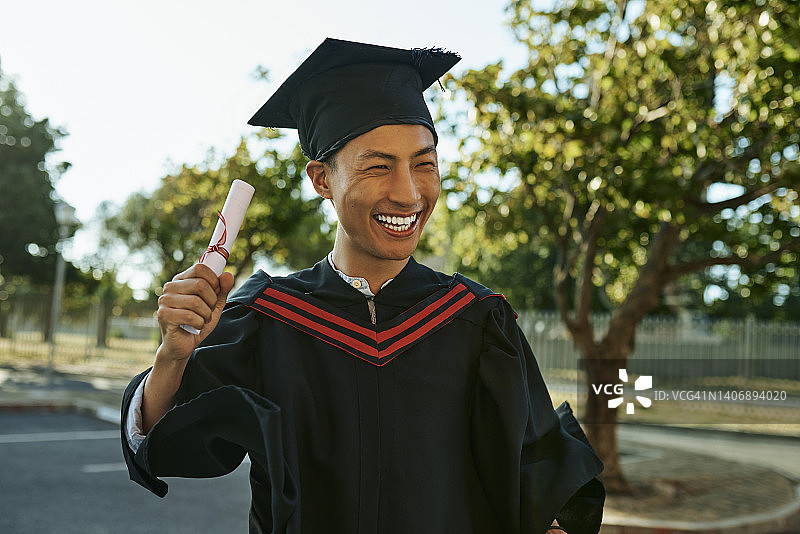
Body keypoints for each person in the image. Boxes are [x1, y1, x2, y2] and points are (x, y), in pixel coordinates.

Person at [120, 38, 605, 534]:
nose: (409, 193)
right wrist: (174, 356)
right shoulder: (267, 318)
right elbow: (170, 443)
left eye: (424, 163)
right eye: (378, 166)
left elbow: (532, 476)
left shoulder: (476, 320)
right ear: (321, 179)